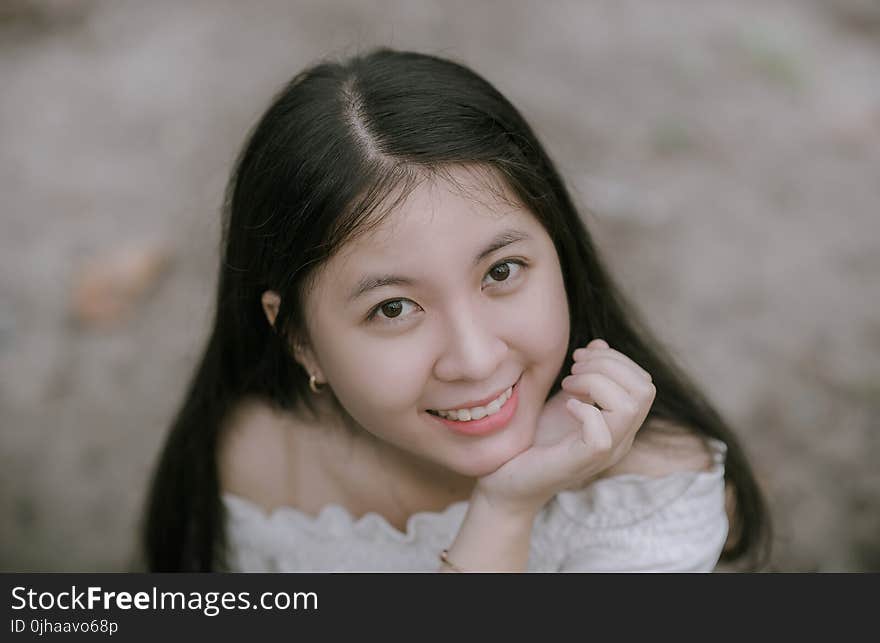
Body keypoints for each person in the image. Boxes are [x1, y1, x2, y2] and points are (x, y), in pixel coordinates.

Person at [141, 47, 772, 572]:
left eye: (501, 272)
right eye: (393, 309)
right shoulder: (262, 463)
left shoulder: (647, 495)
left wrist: (506, 510)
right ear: (298, 338)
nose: (474, 359)